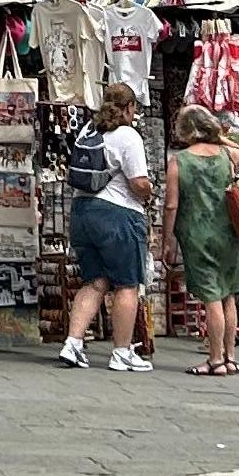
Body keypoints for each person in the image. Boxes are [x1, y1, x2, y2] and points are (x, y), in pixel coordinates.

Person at [58, 81, 154, 370]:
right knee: (127, 284)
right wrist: (150, 191)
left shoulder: (88, 129)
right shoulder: (127, 136)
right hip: (117, 216)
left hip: (83, 213)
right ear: (130, 107)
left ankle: (72, 344)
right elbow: (138, 183)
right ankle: (122, 352)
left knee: (94, 281)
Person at [172, 98, 239, 377]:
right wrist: (216, 134)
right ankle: (230, 357)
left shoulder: (178, 162)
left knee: (211, 298)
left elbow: (171, 205)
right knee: (229, 295)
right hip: (230, 233)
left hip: (197, 234)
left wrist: (168, 240)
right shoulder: (227, 155)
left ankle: (215, 359)